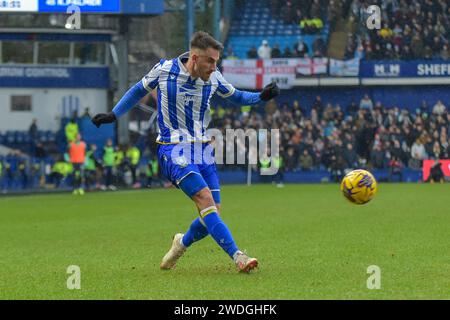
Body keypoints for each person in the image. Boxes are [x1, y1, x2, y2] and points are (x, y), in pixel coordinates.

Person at [91, 31, 279, 273]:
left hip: (202, 150)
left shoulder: (214, 78)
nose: (214, 66)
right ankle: (238, 256)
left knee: (211, 214)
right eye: (210, 61)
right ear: (194, 57)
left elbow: (238, 96)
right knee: (205, 200)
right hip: (172, 149)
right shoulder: (165, 70)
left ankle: (181, 242)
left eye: (216, 61)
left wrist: (261, 96)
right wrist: (113, 114)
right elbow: (138, 90)